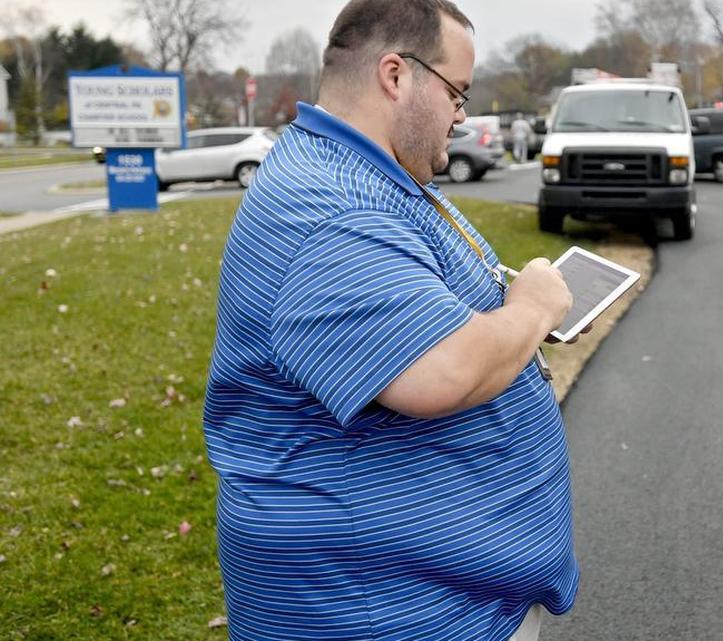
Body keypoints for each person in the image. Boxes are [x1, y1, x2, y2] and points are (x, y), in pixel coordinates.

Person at [202, 1, 581, 639]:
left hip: (440, 597)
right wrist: (534, 305)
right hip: (381, 608)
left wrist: (505, 314)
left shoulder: (362, 175)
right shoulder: (331, 210)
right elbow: (443, 373)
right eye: (458, 92)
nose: (463, 115)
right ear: (396, 76)